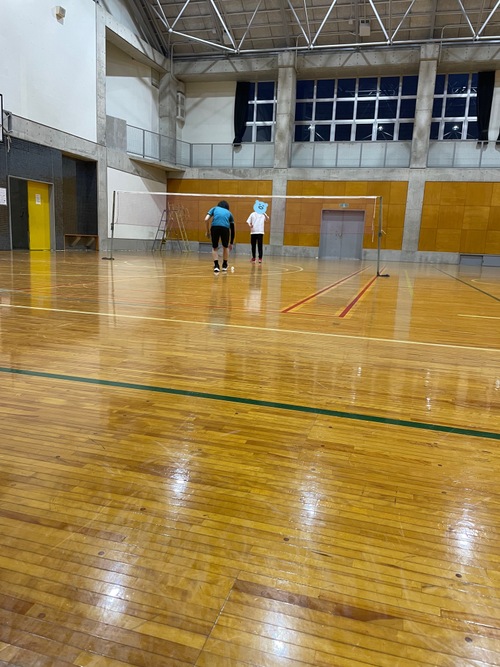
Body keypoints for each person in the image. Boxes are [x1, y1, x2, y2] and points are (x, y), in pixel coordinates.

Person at [205, 200, 235, 273]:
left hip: (214, 227)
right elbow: (232, 229)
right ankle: (224, 265)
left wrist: (208, 231)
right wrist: (231, 243)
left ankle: (216, 266)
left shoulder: (214, 208)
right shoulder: (229, 213)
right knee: (225, 247)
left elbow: (206, 219)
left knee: (214, 247)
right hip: (225, 228)